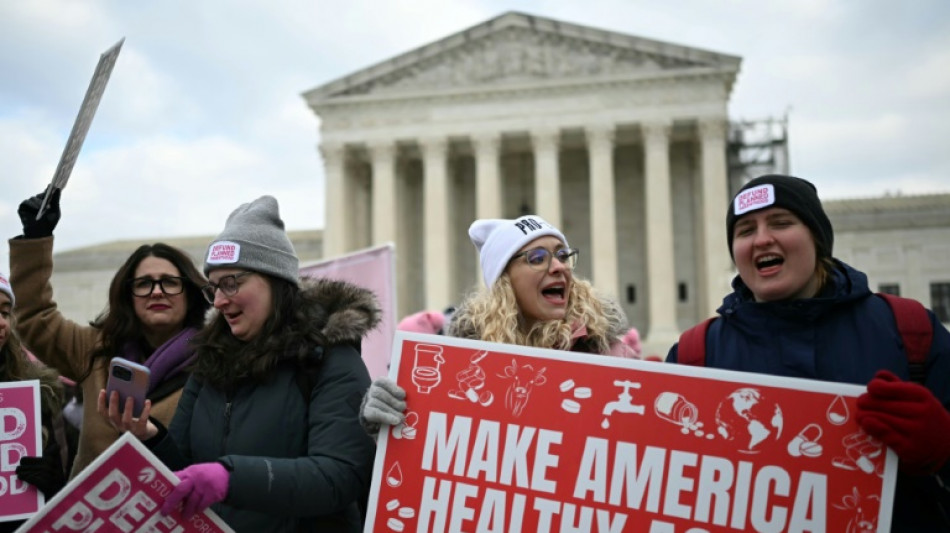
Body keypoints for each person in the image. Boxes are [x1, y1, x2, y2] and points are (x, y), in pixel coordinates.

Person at [666, 174, 950, 531]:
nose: (762, 239)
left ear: (817, 238)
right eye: (745, 230)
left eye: (782, 223)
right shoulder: (697, 354)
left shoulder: (909, 330)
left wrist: (944, 449)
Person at [101, 195, 379, 532]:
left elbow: (339, 477)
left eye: (232, 282)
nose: (219, 300)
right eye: (214, 287)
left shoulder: (331, 359)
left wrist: (231, 477)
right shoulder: (210, 362)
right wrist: (149, 437)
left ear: (276, 282)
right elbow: (183, 470)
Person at [362, 214, 638, 433]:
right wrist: (383, 422)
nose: (559, 267)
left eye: (563, 255)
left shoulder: (613, 357)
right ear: (505, 282)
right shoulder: (458, 370)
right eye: (537, 258)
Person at [8, 189, 211, 478]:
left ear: (190, 293)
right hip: (89, 516)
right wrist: (35, 239)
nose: (156, 291)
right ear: (127, 296)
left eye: (169, 282)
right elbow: (34, 317)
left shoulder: (216, 359)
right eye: (143, 283)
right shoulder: (95, 349)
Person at [0, 273, 67, 533]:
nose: (2, 323)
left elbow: (59, 494)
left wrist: (51, 483)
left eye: (6, 313)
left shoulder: (35, 392)